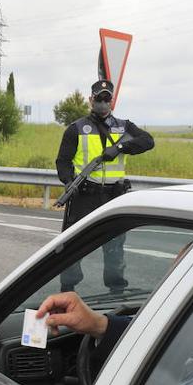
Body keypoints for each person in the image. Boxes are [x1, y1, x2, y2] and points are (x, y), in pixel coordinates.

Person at [55, 79, 155, 292]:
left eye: (106, 98)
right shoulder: (76, 129)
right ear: (90, 100)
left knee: (114, 246)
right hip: (84, 195)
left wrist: (119, 147)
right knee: (72, 245)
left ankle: (116, 291)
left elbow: (148, 141)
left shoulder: (125, 126)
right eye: (98, 98)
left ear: (113, 101)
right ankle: (67, 291)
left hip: (113, 196)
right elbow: (62, 161)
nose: (102, 102)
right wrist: (68, 181)